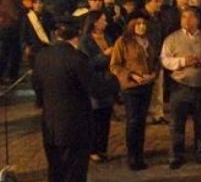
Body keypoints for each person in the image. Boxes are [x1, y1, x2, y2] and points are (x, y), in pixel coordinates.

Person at [160, 8, 201, 169]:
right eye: (183, 17)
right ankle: (176, 155)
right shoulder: (172, 39)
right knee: (177, 124)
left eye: (190, 17)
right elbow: (164, 59)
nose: (186, 20)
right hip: (180, 86)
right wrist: (182, 62)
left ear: (197, 20)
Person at [33, 23, 92, 182]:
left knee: (55, 168)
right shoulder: (77, 58)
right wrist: (116, 81)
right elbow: (93, 87)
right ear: (78, 34)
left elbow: (37, 85)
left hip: (50, 123)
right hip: (75, 125)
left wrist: (42, 102)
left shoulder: (42, 55)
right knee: (74, 170)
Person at [109, 16, 160, 171]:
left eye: (144, 23)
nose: (141, 26)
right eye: (138, 24)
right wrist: (131, 75)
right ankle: (132, 156)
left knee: (141, 120)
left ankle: (140, 153)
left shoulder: (150, 41)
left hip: (147, 85)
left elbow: (156, 61)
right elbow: (115, 65)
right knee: (133, 120)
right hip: (131, 87)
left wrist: (154, 74)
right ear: (132, 25)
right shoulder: (123, 42)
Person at [78, 10, 120, 163]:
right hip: (95, 82)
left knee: (105, 117)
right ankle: (92, 149)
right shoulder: (86, 41)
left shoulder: (107, 37)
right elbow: (86, 63)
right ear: (95, 22)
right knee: (95, 118)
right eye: (103, 20)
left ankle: (102, 148)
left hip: (108, 81)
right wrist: (105, 55)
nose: (106, 22)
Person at [0, 0, 26, 84]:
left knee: (16, 53)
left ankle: (13, 75)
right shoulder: (8, 2)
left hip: (14, 31)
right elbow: (16, 15)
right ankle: (4, 76)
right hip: (7, 31)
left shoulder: (17, 1)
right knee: (6, 54)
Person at [22, 0, 55, 67]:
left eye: (40, 2)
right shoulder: (28, 17)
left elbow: (52, 29)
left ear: (43, 4)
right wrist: (26, 46)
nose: (38, 5)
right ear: (32, 4)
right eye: (36, 3)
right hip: (33, 46)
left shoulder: (48, 16)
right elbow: (24, 32)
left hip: (45, 46)